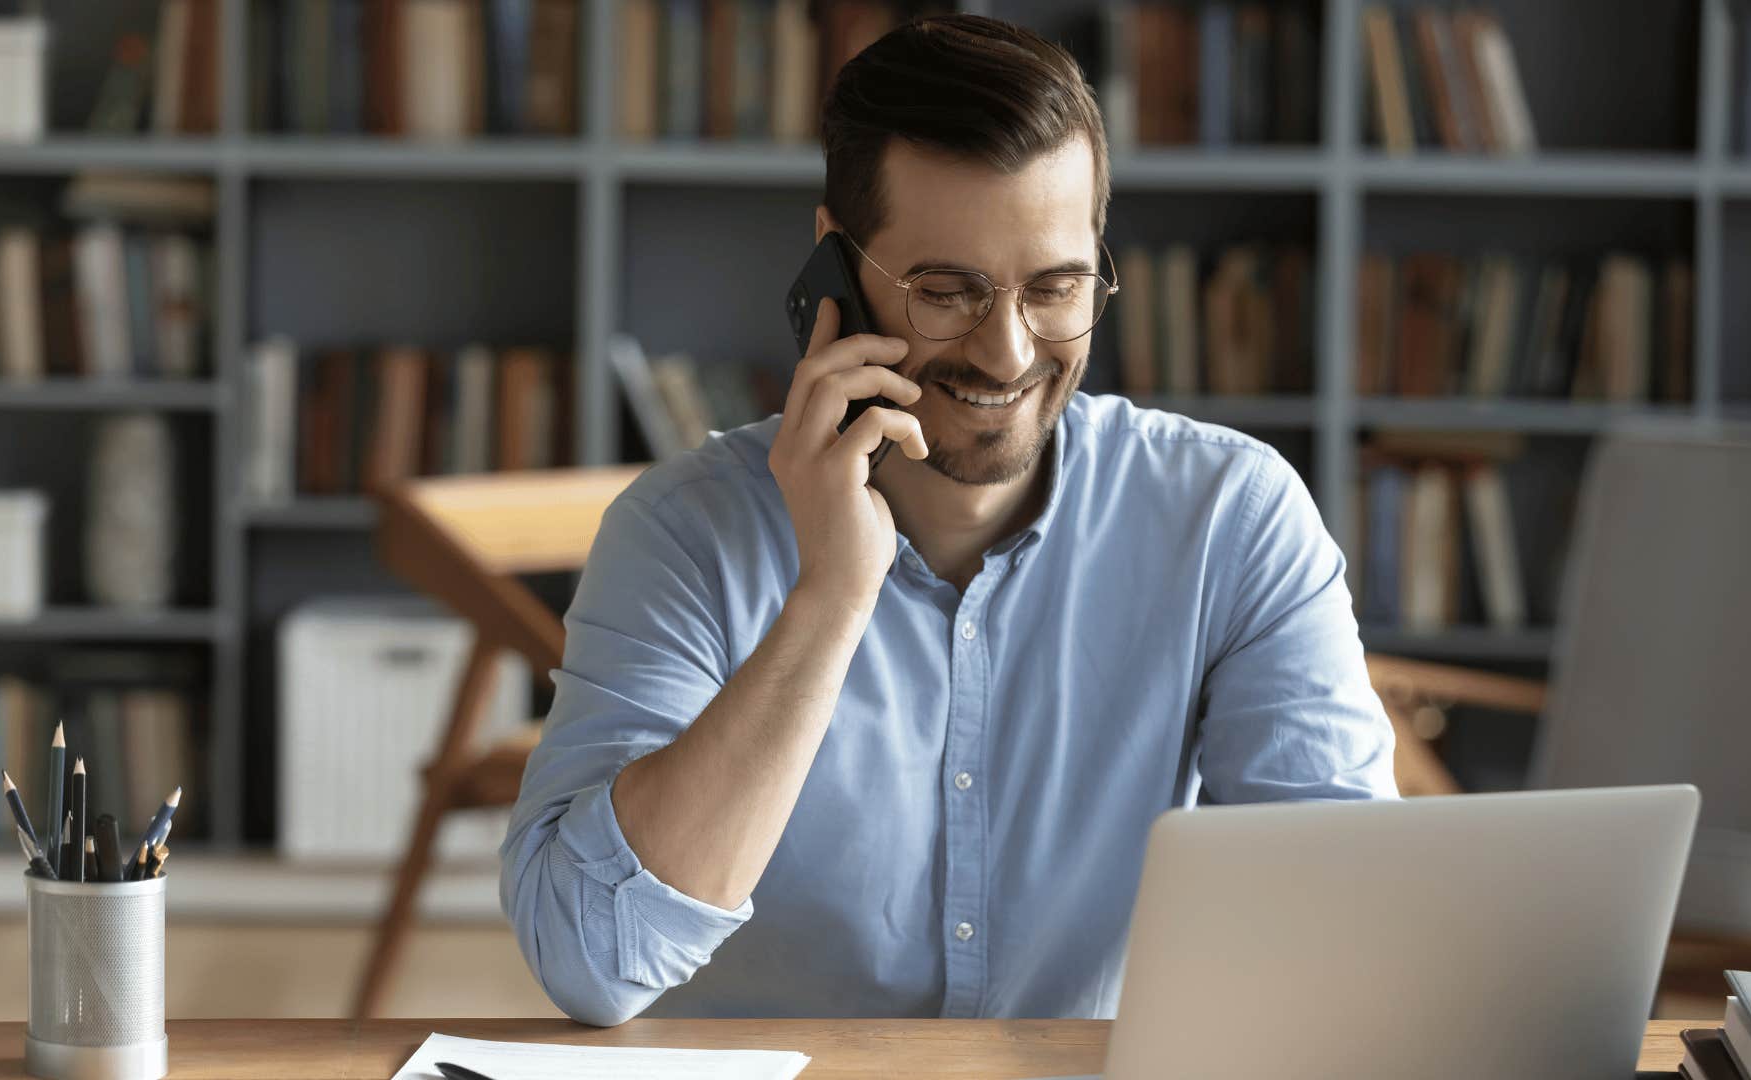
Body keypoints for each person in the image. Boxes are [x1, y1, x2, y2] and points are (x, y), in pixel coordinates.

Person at [501, 13, 1396, 1028]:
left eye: (1055, 289)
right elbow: (589, 961)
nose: (1010, 353)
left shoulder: (1230, 518)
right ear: (832, 270)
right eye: (948, 292)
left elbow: (1346, 930)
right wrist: (832, 598)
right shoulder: (682, 534)